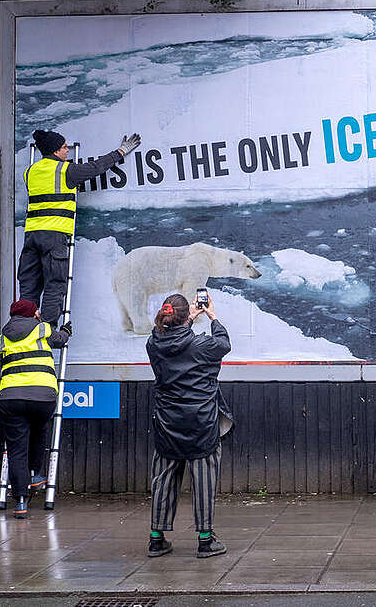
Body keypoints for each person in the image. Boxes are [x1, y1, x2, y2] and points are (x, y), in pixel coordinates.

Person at [18, 129, 141, 326]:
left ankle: (23, 329)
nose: (67, 150)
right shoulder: (65, 170)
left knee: (28, 287)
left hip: (32, 237)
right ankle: (47, 333)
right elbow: (96, 167)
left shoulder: (30, 172)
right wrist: (121, 152)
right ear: (55, 151)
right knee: (54, 285)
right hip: (54, 237)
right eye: (64, 147)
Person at [146, 292, 233, 558]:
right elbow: (224, 344)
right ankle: (205, 540)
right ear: (186, 316)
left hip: (167, 423)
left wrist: (187, 321)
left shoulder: (153, 344)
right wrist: (212, 317)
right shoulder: (202, 346)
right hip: (201, 423)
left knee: (163, 479)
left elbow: (168, 338)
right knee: (204, 481)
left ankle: (156, 539)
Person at [0, 299, 71, 519]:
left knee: (16, 449)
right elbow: (59, 340)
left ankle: (20, 501)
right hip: (42, 395)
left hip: (11, 397)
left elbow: (3, 359)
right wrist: (66, 330)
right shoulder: (42, 328)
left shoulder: (3, 335)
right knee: (40, 429)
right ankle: (36, 474)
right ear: (32, 313)